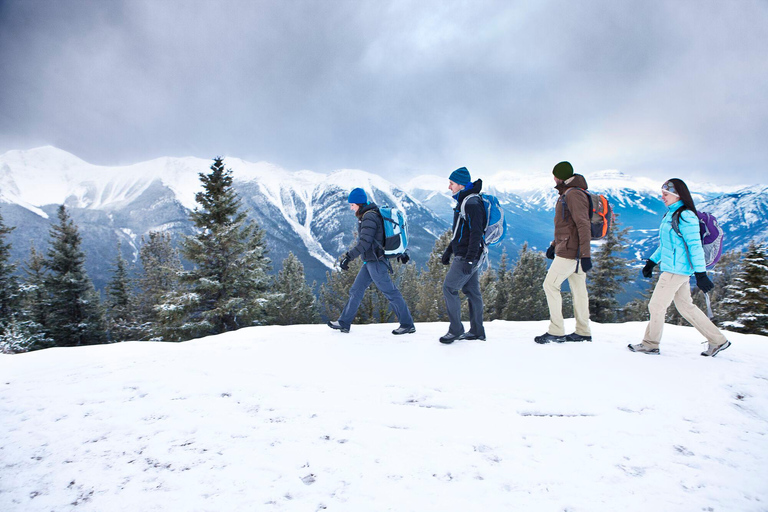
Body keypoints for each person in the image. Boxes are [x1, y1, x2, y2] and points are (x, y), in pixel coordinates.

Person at [628, 178, 731, 357]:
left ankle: (650, 344)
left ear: (677, 195)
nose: (662, 197)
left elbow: (695, 246)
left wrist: (701, 274)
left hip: (676, 271)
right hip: (675, 268)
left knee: (656, 306)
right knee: (686, 307)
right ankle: (718, 340)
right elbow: (666, 245)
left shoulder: (686, 216)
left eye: (666, 194)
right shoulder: (671, 214)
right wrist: (652, 262)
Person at [327, 187, 416, 335]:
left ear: (359, 204)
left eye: (352, 204)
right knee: (356, 290)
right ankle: (344, 322)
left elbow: (365, 243)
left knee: (390, 292)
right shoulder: (368, 214)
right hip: (370, 261)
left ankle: (407, 324)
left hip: (376, 261)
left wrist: (349, 257)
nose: (351, 207)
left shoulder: (369, 217)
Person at [535, 161, 593, 344]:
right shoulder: (570, 193)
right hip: (571, 250)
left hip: (570, 253)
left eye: (554, 175)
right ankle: (583, 331)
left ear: (560, 176)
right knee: (579, 290)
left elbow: (583, 224)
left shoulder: (573, 194)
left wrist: (585, 255)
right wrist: (554, 245)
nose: (553, 178)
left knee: (550, 285)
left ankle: (557, 331)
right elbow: (567, 226)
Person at [439, 167, 487, 344]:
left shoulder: (471, 203)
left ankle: (456, 330)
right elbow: (461, 232)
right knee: (471, 291)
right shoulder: (465, 201)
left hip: (468, 255)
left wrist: (468, 258)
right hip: (467, 253)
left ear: (460, 184)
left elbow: (476, 233)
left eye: (451, 183)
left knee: (449, 288)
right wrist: (449, 250)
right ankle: (476, 331)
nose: (449, 187)